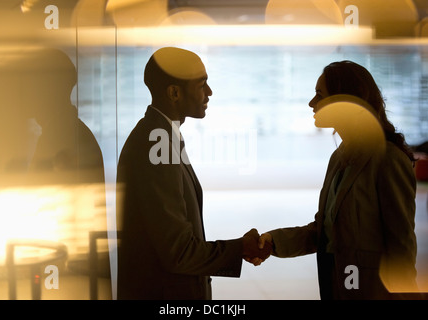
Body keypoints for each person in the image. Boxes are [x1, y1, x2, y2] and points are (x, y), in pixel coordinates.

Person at [116, 47, 271, 300]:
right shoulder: (157, 142)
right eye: (202, 84)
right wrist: (239, 248)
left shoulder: (162, 135)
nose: (209, 93)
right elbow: (178, 252)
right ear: (174, 92)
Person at [258, 60, 418, 299]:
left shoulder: (388, 160)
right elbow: (325, 233)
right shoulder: (340, 157)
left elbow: (401, 248)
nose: (311, 103)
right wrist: (273, 241)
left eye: (319, 95)